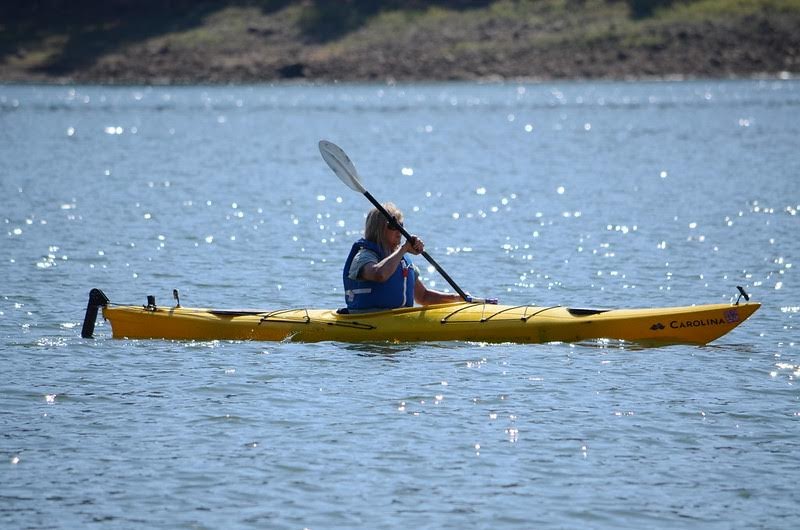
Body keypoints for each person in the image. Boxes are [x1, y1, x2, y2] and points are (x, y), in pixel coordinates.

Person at [342, 203, 465, 311]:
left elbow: (423, 296)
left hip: (398, 319)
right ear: (378, 229)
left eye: (401, 225)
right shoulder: (364, 256)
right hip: (367, 319)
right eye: (393, 226)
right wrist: (404, 249)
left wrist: (456, 298)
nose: (400, 231)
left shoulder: (402, 261)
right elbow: (379, 274)